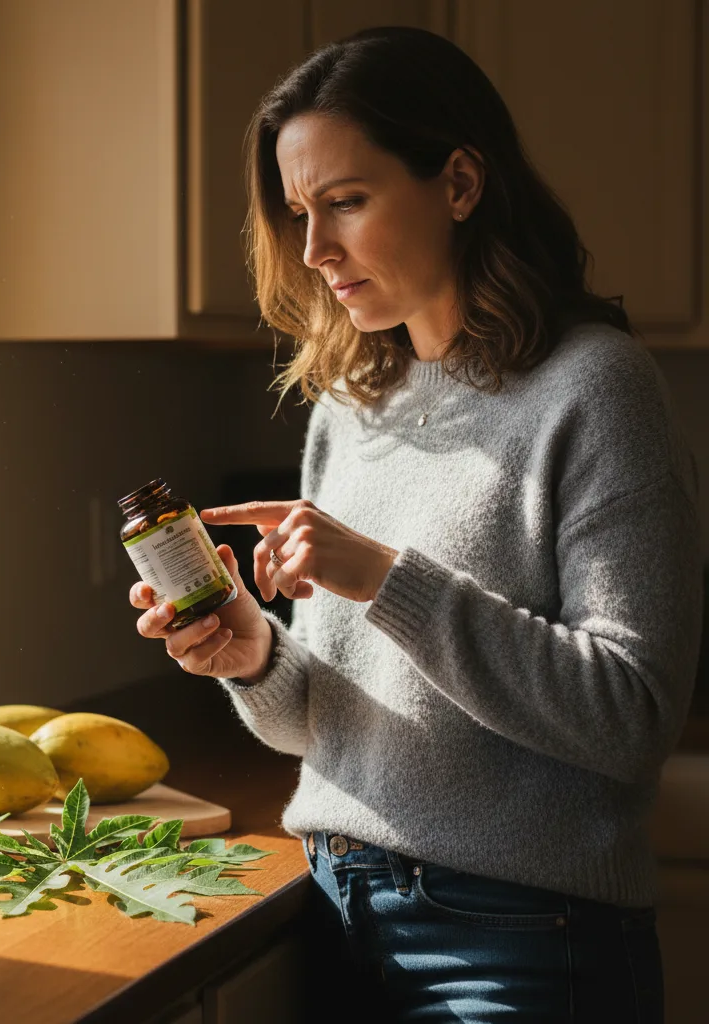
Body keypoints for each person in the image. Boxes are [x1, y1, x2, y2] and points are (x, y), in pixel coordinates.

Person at [129, 26, 702, 1023]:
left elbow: (629, 715)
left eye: (346, 202)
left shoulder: (594, 388)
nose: (314, 250)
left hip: (518, 942)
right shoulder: (352, 406)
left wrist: (385, 577)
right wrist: (252, 656)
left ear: (461, 182)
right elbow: (332, 720)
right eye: (299, 212)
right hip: (333, 907)